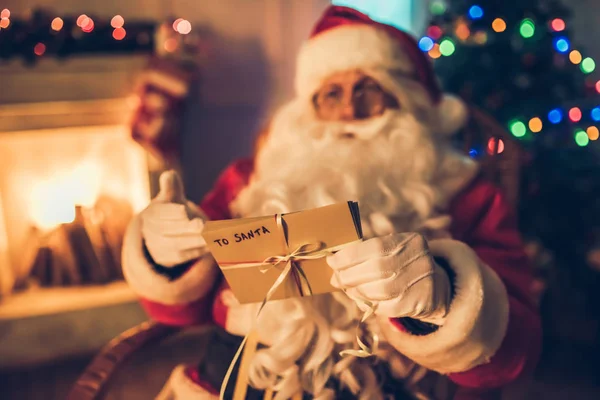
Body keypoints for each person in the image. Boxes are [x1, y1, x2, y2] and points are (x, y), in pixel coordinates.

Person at [122, 6, 541, 400]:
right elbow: (179, 309)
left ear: (406, 101)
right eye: (331, 94)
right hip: (237, 380)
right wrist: (165, 255)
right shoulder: (249, 179)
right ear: (308, 108)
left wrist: (447, 297)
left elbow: (516, 350)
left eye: (368, 90)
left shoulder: (467, 193)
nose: (348, 111)